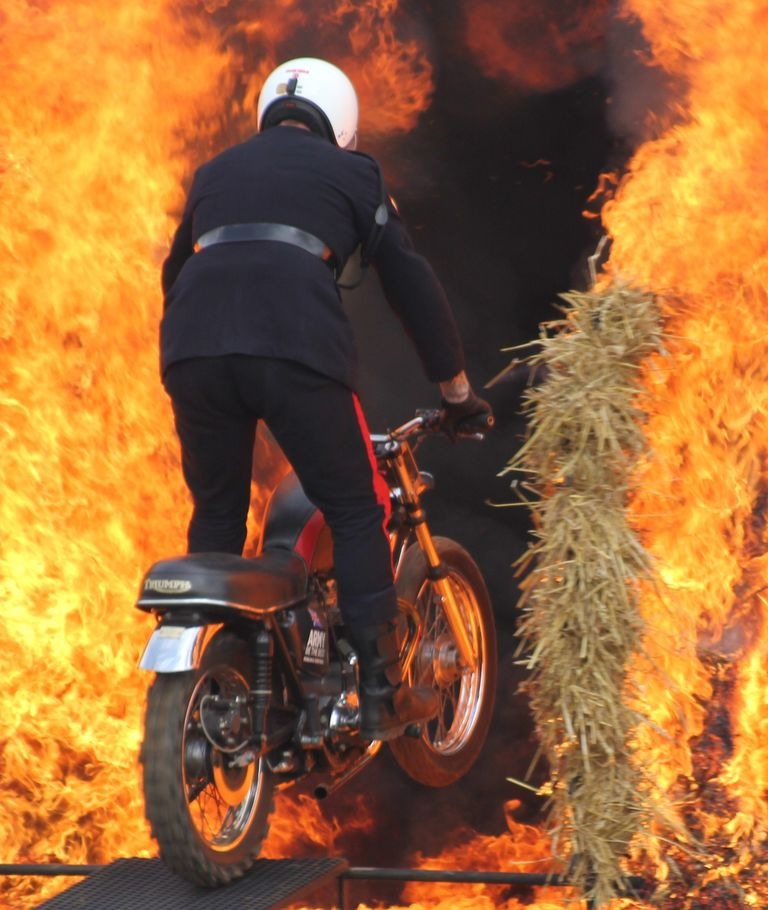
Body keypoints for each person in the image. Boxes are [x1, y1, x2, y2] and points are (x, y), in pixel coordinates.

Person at [159, 57, 492, 741]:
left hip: (192, 347)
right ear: (341, 126)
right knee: (356, 505)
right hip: (293, 346)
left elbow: (174, 273)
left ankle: (221, 676)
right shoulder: (354, 172)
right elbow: (409, 282)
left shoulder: (214, 173)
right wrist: (456, 391)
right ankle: (381, 692)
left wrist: (204, 352)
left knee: (217, 512)